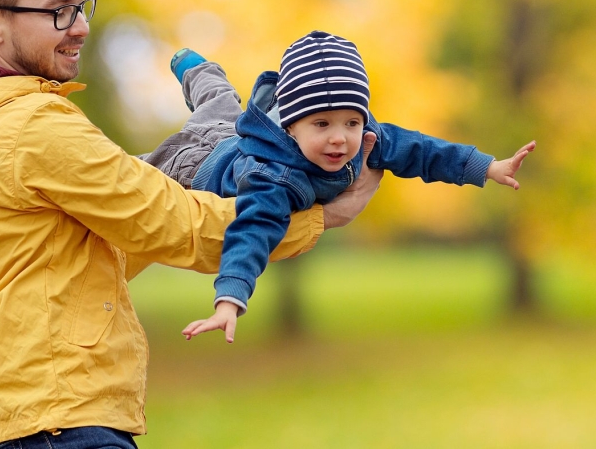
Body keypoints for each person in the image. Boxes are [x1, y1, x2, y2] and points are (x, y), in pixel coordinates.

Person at [0, 0, 381, 449]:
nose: (81, 27)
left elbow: (101, 247)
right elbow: (174, 224)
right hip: (62, 420)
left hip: (31, 413)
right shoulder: (31, 127)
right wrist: (322, 217)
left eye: (81, 6)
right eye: (58, 12)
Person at [138, 31, 535, 344]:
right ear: (291, 126)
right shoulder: (275, 177)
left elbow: (423, 151)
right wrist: (230, 299)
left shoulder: (367, 139)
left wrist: (487, 167)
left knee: (222, 105)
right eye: (322, 125)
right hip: (195, 164)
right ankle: (194, 67)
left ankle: (198, 70)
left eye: (350, 121)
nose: (339, 140)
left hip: (236, 137)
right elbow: (253, 231)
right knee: (184, 134)